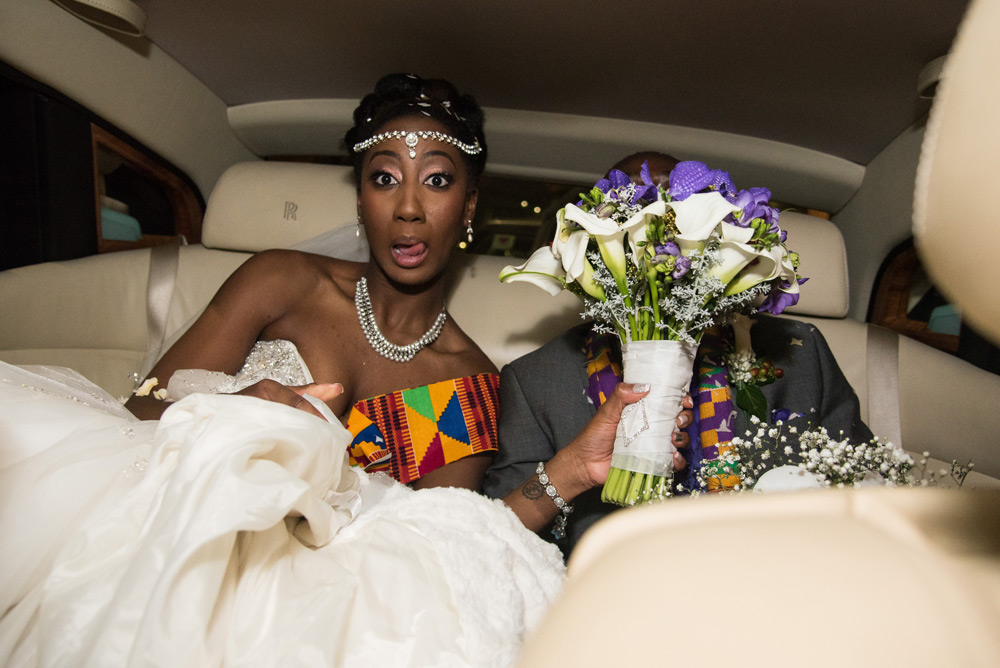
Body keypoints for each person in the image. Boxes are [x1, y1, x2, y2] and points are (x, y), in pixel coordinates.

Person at [0, 74, 651, 667]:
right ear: (362, 197)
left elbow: (449, 548)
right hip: (168, 528)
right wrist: (235, 413)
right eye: (384, 176)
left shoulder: (466, 384)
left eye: (439, 179)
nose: (409, 208)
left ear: (470, 206)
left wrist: (571, 470)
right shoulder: (283, 281)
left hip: (309, 593)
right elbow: (135, 412)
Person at [483, 151, 873, 558]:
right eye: (633, 208)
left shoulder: (800, 355)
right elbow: (493, 540)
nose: (655, 222)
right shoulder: (536, 381)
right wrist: (575, 470)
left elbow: (866, 490)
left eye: (675, 207)